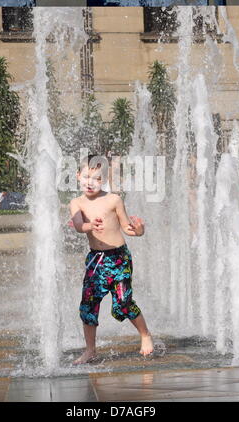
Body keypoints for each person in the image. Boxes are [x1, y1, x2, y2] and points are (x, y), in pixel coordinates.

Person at [69, 154, 154, 365]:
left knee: (123, 301)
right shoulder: (76, 203)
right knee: (88, 304)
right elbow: (79, 226)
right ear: (78, 175)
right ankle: (90, 350)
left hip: (118, 258)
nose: (91, 182)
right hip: (95, 260)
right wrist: (90, 226)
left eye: (97, 178)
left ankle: (145, 335)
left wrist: (139, 230)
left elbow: (127, 228)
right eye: (87, 176)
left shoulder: (114, 200)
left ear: (104, 180)